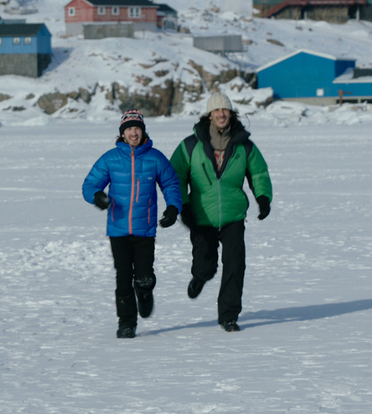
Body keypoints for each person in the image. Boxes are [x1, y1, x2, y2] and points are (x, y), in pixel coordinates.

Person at [170, 92, 273, 333]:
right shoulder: (190, 145)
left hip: (233, 215)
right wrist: (182, 205)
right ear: (209, 115)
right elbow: (175, 175)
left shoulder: (244, 145)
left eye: (224, 110)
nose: (221, 114)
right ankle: (200, 277)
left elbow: (259, 173)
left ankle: (228, 316)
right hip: (201, 214)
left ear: (231, 113)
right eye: (216, 111)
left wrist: (263, 197)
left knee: (235, 264)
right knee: (206, 264)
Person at [82, 110, 182, 339]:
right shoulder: (110, 158)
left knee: (144, 277)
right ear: (122, 133)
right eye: (129, 129)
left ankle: (145, 293)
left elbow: (171, 184)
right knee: (123, 277)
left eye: (137, 128)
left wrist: (174, 207)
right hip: (118, 229)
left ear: (143, 131)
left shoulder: (155, 158)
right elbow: (89, 184)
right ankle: (126, 322)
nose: (133, 132)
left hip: (145, 229)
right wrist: (97, 197)